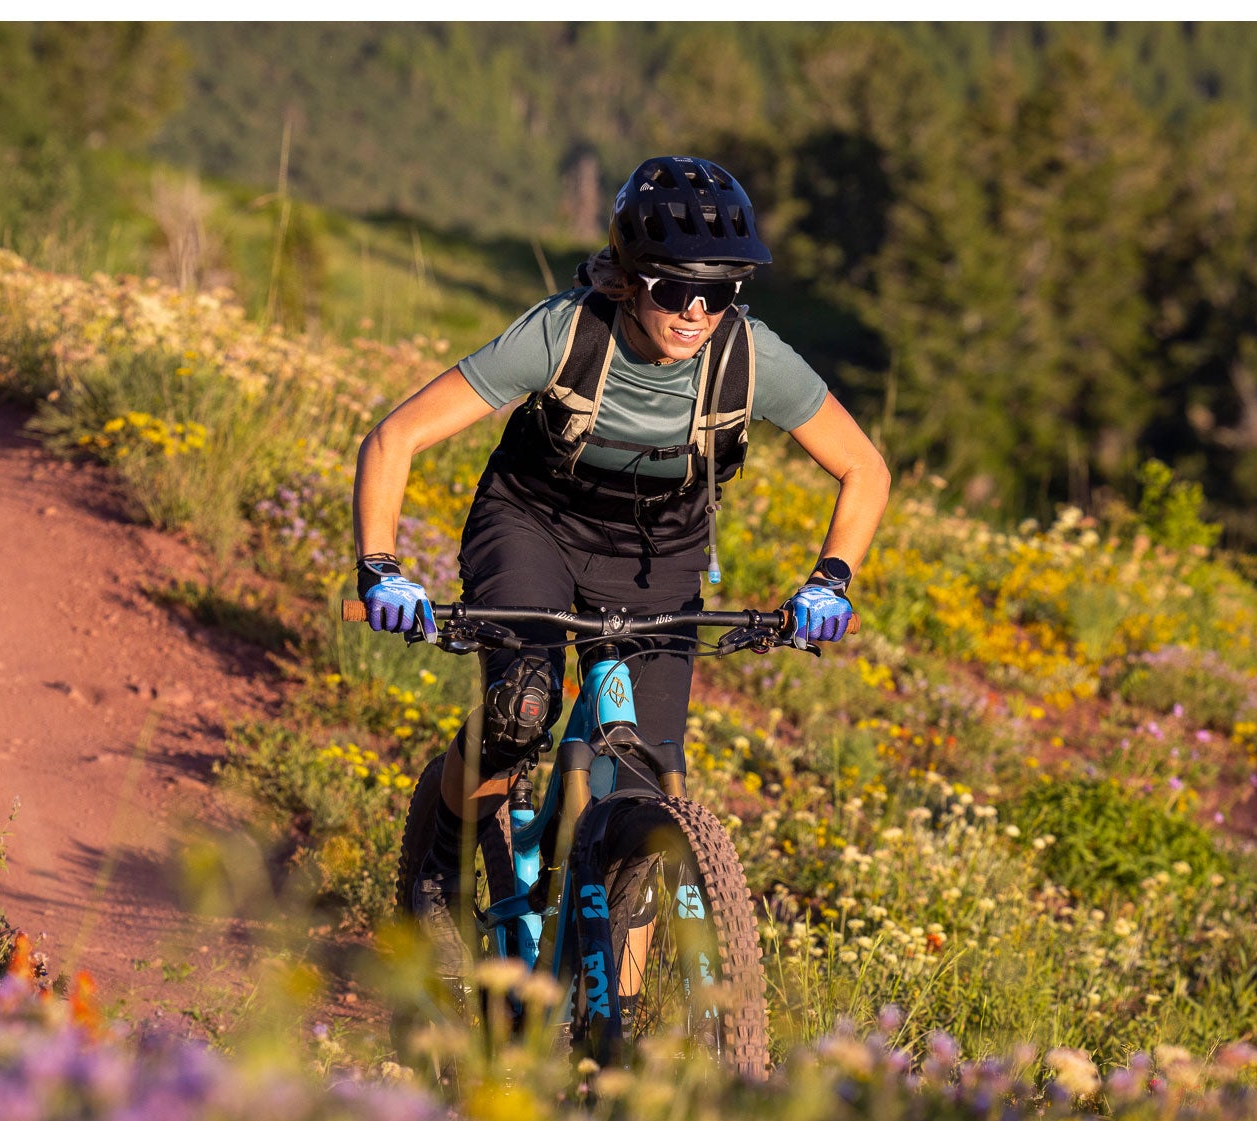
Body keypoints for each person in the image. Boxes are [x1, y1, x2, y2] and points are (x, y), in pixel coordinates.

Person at [351, 155, 891, 923]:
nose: (696, 313)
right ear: (629, 278)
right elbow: (395, 436)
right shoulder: (564, 332)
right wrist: (381, 568)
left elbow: (865, 467)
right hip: (532, 520)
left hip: (659, 550)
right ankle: (441, 863)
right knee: (522, 709)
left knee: (642, 794)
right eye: (675, 288)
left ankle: (613, 1026)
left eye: (720, 292)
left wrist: (829, 578)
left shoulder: (750, 356)